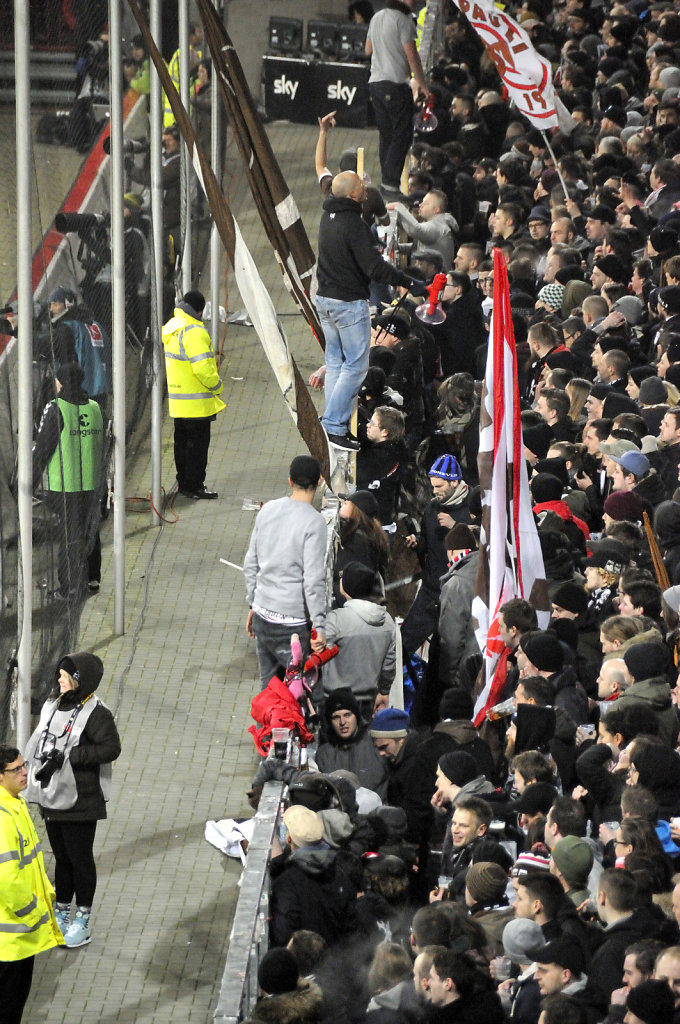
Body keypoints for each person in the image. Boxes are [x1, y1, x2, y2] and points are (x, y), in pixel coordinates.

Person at [316, 170, 426, 450]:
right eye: (362, 186)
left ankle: (333, 421)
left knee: (337, 364)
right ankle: (332, 425)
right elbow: (374, 267)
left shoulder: (328, 214)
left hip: (325, 301)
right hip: (347, 304)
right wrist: (408, 282)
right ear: (353, 194)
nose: (366, 188)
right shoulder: (353, 224)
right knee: (355, 366)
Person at [24, 652, 121, 949]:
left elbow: (111, 748)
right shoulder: (53, 705)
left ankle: (82, 919)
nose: (59, 680)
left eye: (65, 677)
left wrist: (74, 756)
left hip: (81, 801)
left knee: (80, 860)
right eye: (60, 675)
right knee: (62, 858)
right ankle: (62, 910)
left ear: (80, 681)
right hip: (51, 796)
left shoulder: (98, 713)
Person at [244, 455, 327, 688]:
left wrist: (254, 603)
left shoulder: (268, 509)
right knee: (303, 693)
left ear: (290, 481)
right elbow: (313, 581)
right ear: (319, 481)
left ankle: (264, 726)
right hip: (291, 625)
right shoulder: (314, 523)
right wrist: (319, 627)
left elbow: (251, 563)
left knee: (268, 692)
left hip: (262, 615)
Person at [0, 745, 64, 1023]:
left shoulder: (15, 805)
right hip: (10, 940)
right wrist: (32, 911)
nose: (26, 772)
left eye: (24, 765)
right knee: (7, 1009)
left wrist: (46, 894)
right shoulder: (2, 817)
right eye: (17, 769)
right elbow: (6, 877)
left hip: (17, 937)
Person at [32, 361, 104, 597]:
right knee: (90, 529)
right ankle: (93, 578)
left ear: (61, 382)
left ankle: (70, 587)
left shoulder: (56, 408)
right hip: (92, 485)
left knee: (69, 535)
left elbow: (42, 449)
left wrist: (28, 484)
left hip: (65, 485)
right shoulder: (94, 407)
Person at [161, 289, 225, 499]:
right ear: (199, 310)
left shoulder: (171, 327)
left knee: (181, 445)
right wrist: (217, 386)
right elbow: (202, 369)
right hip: (197, 404)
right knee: (197, 449)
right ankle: (195, 486)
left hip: (179, 404)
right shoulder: (195, 332)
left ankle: (184, 483)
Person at [366, 0, 428, 197]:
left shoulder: (376, 17)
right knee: (402, 135)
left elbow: (368, 50)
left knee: (386, 135)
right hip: (395, 84)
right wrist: (422, 84)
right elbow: (412, 55)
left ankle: (385, 182)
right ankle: (390, 184)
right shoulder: (404, 20)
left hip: (375, 84)